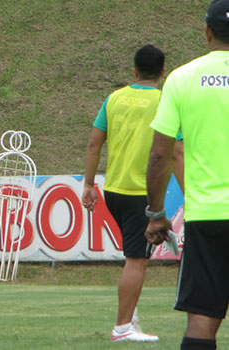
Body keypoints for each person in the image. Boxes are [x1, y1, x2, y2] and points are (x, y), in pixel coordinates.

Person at [145, 1, 229, 349]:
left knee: (201, 321)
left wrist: (155, 214)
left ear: (207, 31)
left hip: (207, 215)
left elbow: (161, 152)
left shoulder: (181, 78)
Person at [82, 44, 165, 342]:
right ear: (163, 72)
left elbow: (94, 143)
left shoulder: (114, 98)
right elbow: (174, 147)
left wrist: (89, 184)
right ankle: (122, 328)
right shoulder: (164, 100)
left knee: (134, 255)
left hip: (113, 190)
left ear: (134, 70)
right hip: (139, 191)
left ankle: (132, 318)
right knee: (136, 260)